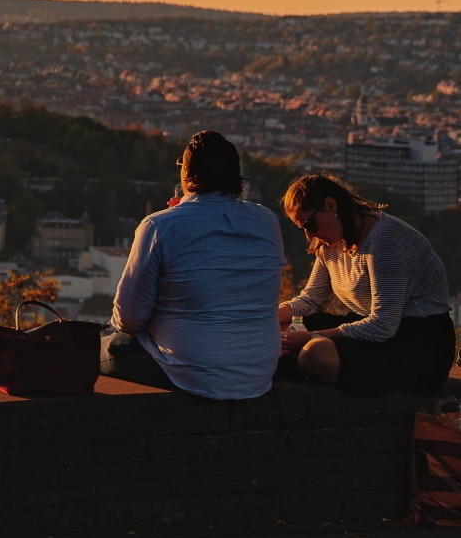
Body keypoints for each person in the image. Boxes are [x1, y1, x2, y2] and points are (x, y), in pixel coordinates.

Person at [103, 131, 286, 400]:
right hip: (258, 370)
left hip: (190, 370)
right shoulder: (267, 221)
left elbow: (129, 318)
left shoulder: (159, 226)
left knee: (100, 345)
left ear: (186, 172)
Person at [279, 174, 454, 395]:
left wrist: (312, 337)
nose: (309, 235)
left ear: (330, 205)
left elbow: (383, 325)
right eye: (302, 228)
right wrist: (266, 319)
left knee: (316, 353)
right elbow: (311, 300)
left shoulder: (386, 239)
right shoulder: (330, 244)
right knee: (283, 329)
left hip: (416, 342)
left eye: (310, 225)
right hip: (369, 330)